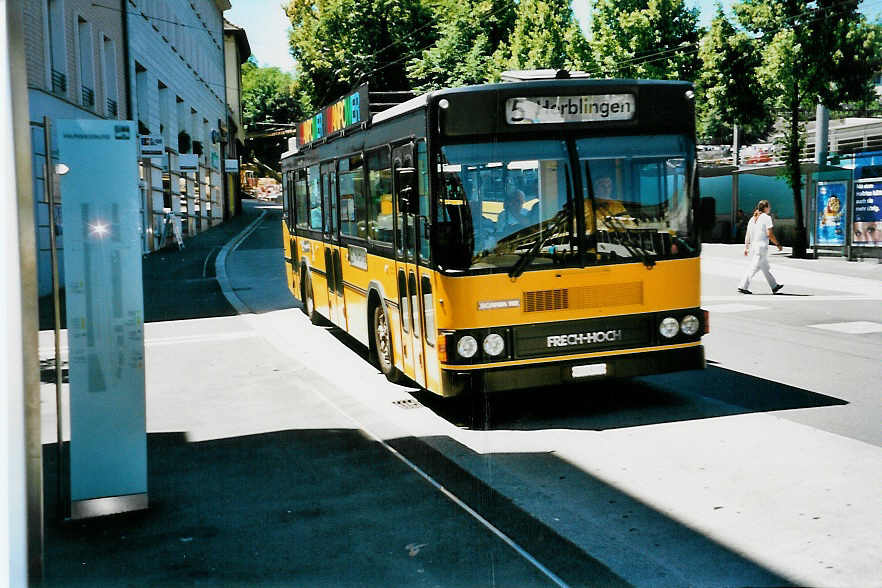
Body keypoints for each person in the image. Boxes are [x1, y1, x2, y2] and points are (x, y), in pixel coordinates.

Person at [738, 199, 783, 294]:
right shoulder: (767, 218)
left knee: (765, 267)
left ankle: (774, 286)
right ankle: (743, 286)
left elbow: (748, 234)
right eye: (769, 206)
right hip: (761, 247)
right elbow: (770, 234)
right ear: (765, 208)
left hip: (754, 247)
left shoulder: (752, 219)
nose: (770, 208)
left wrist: (746, 247)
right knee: (753, 267)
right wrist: (778, 244)